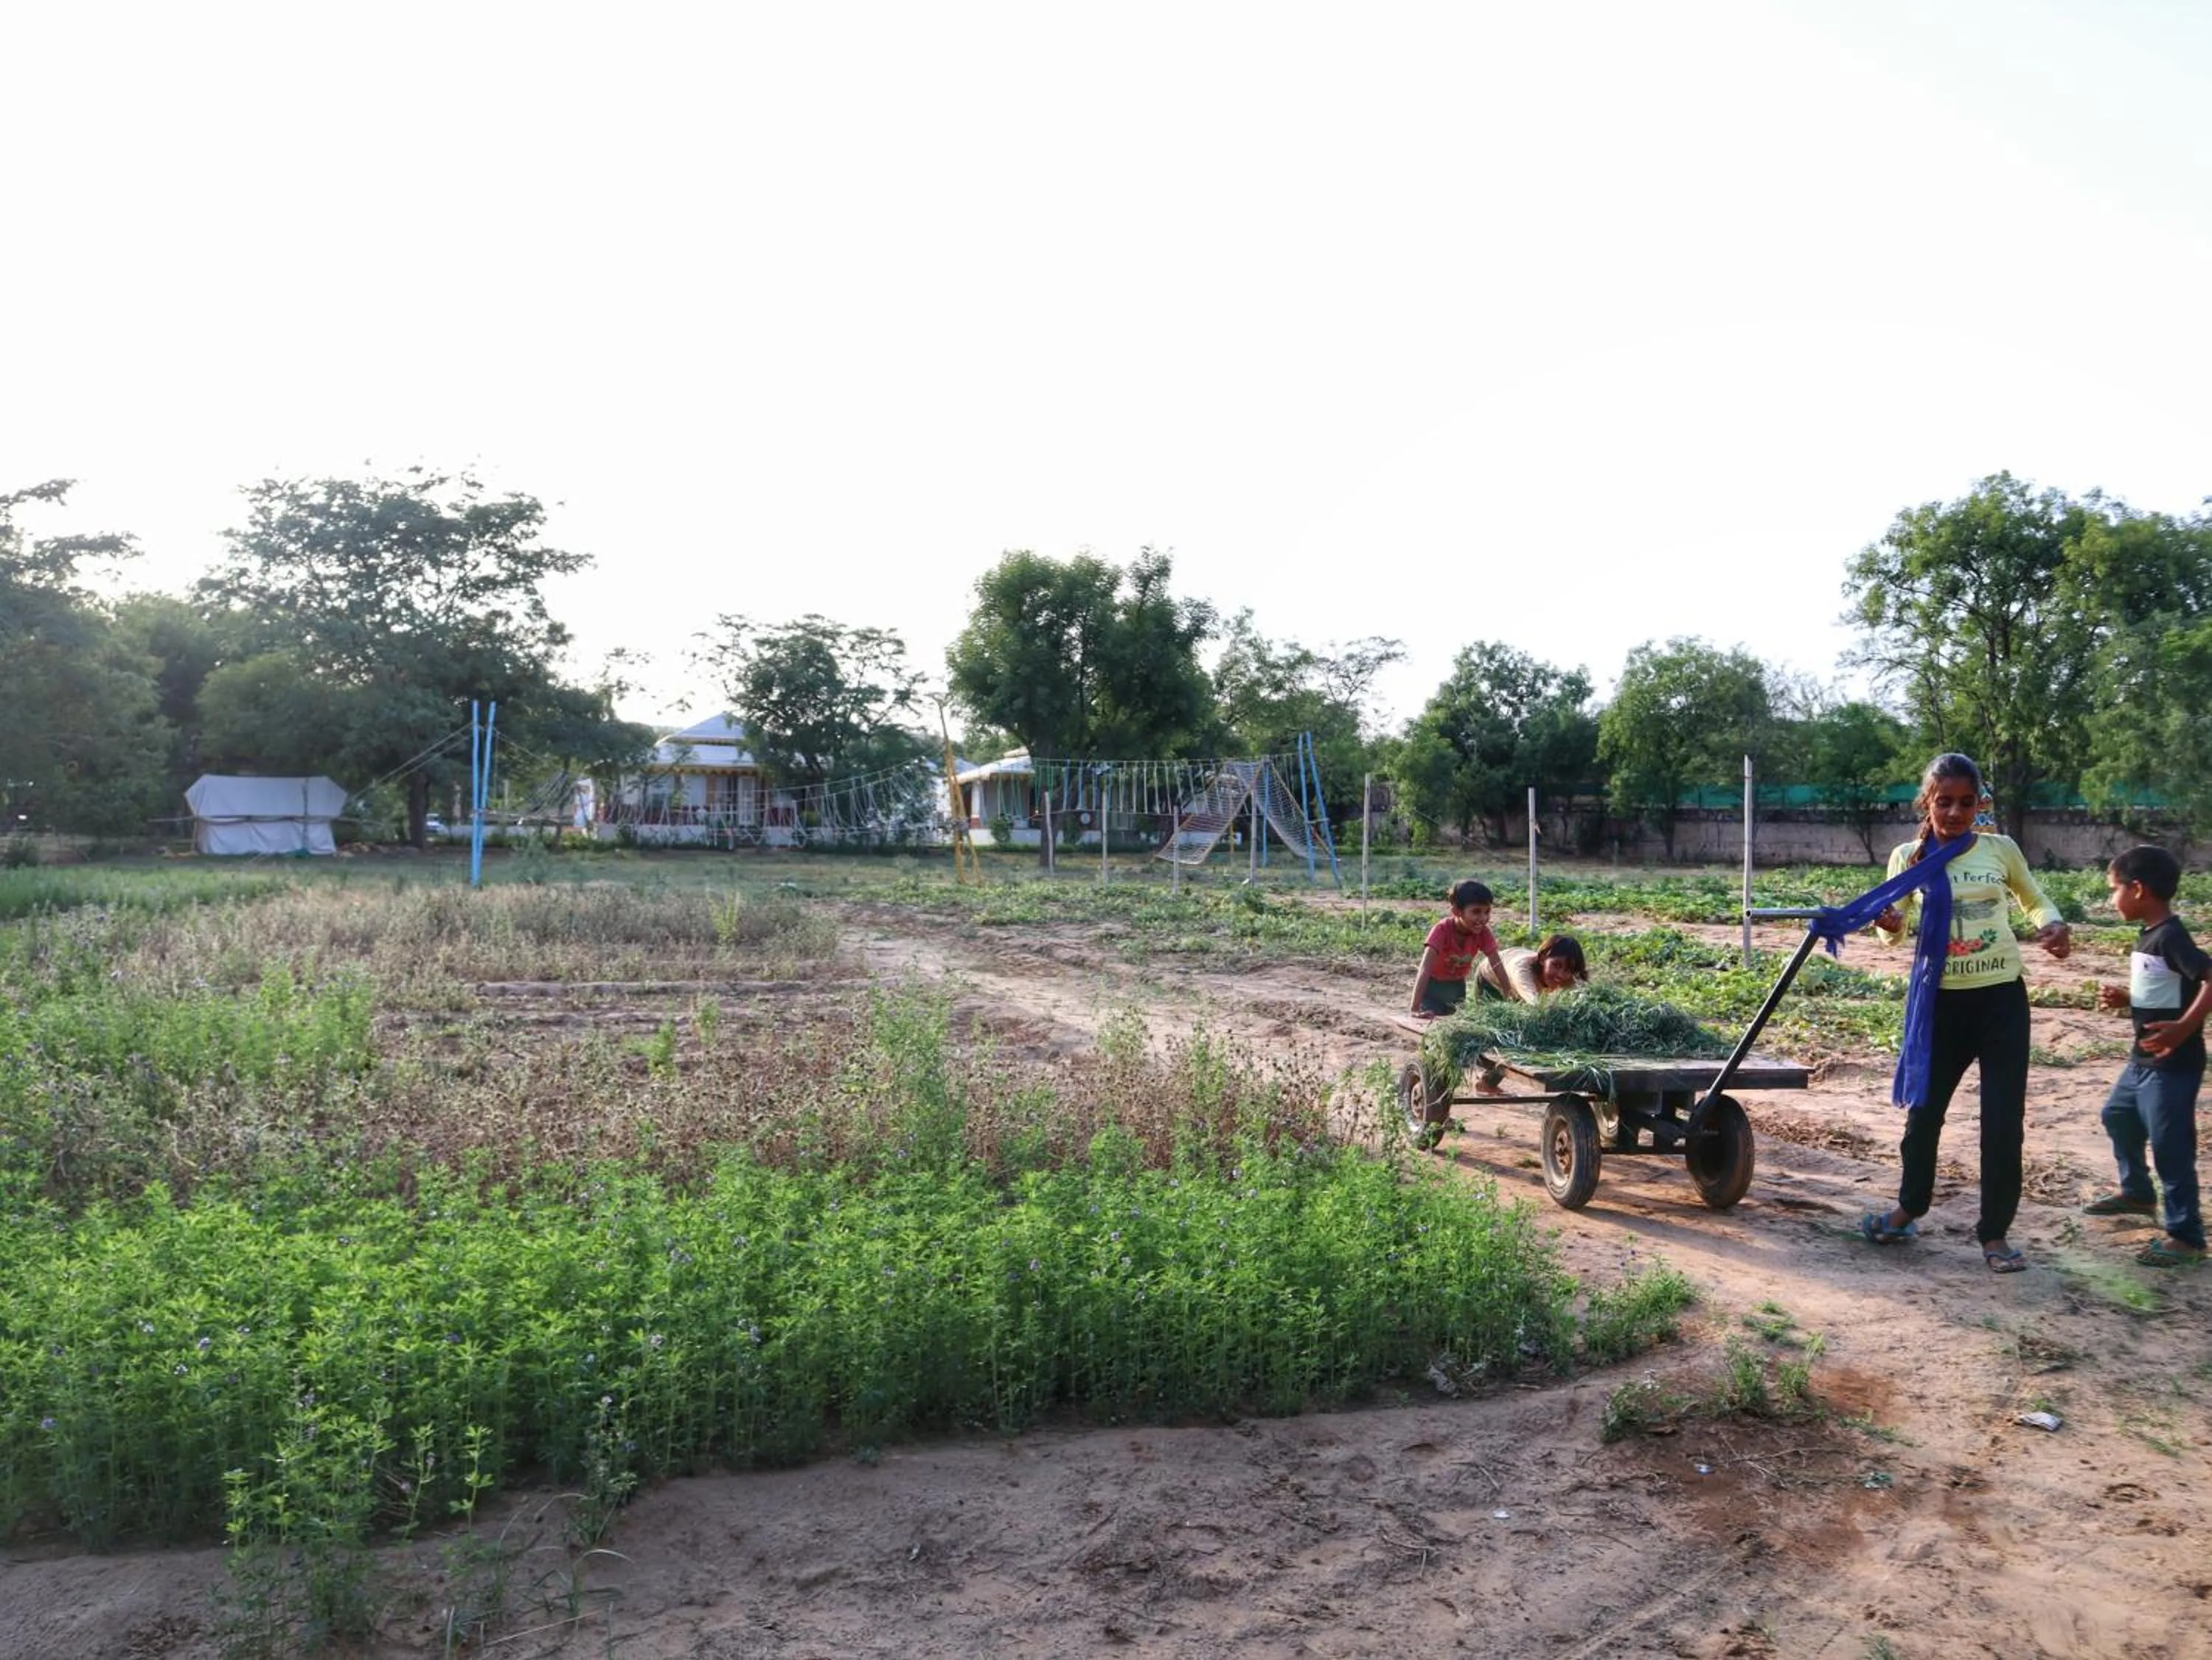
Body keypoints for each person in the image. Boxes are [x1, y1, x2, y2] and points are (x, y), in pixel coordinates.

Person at [1861, 753, 2070, 1272]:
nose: (1955, 813)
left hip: (2001, 1001)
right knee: (1924, 1115)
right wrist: (1887, 921)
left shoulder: (2000, 849)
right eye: (1944, 802)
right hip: (1941, 1006)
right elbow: (1893, 932)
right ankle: (1910, 1207)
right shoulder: (1909, 857)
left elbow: (2034, 898)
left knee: (2003, 1123)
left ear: (1980, 803)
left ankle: (1995, 1234)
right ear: (1927, 803)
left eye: (1965, 802)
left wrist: (2054, 924)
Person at [2087, 845, 2209, 1267]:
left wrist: (2183, 1028)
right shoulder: (2151, 936)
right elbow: (2165, 991)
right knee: (2117, 1117)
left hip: (2172, 1065)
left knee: (2170, 1146)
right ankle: (2137, 1193)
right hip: (2141, 1061)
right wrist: (2129, 999)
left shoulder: (2172, 936)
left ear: (2137, 889)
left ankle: (2187, 1235)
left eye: (2113, 890)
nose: (2111, 899)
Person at [1409, 879, 1511, 1018]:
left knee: (1454, 1024)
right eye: (1476, 912)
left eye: (1487, 912)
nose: (1483, 918)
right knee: (1429, 1022)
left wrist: (1509, 997)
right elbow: (1425, 969)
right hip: (1432, 988)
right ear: (1457, 911)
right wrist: (1415, 1009)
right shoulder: (1442, 930)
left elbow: (1497, 964)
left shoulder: (1483, 932)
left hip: (1457, 987)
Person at [1477, 932, 1590, 1002]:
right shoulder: (1523, 971)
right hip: (1491, 979)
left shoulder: (1570, 976)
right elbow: (1535, 1005)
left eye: (1568, 969)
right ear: (1542, 960)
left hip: (1517, 967)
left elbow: (1583, 992)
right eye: (1556, 965)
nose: (1561, 974)